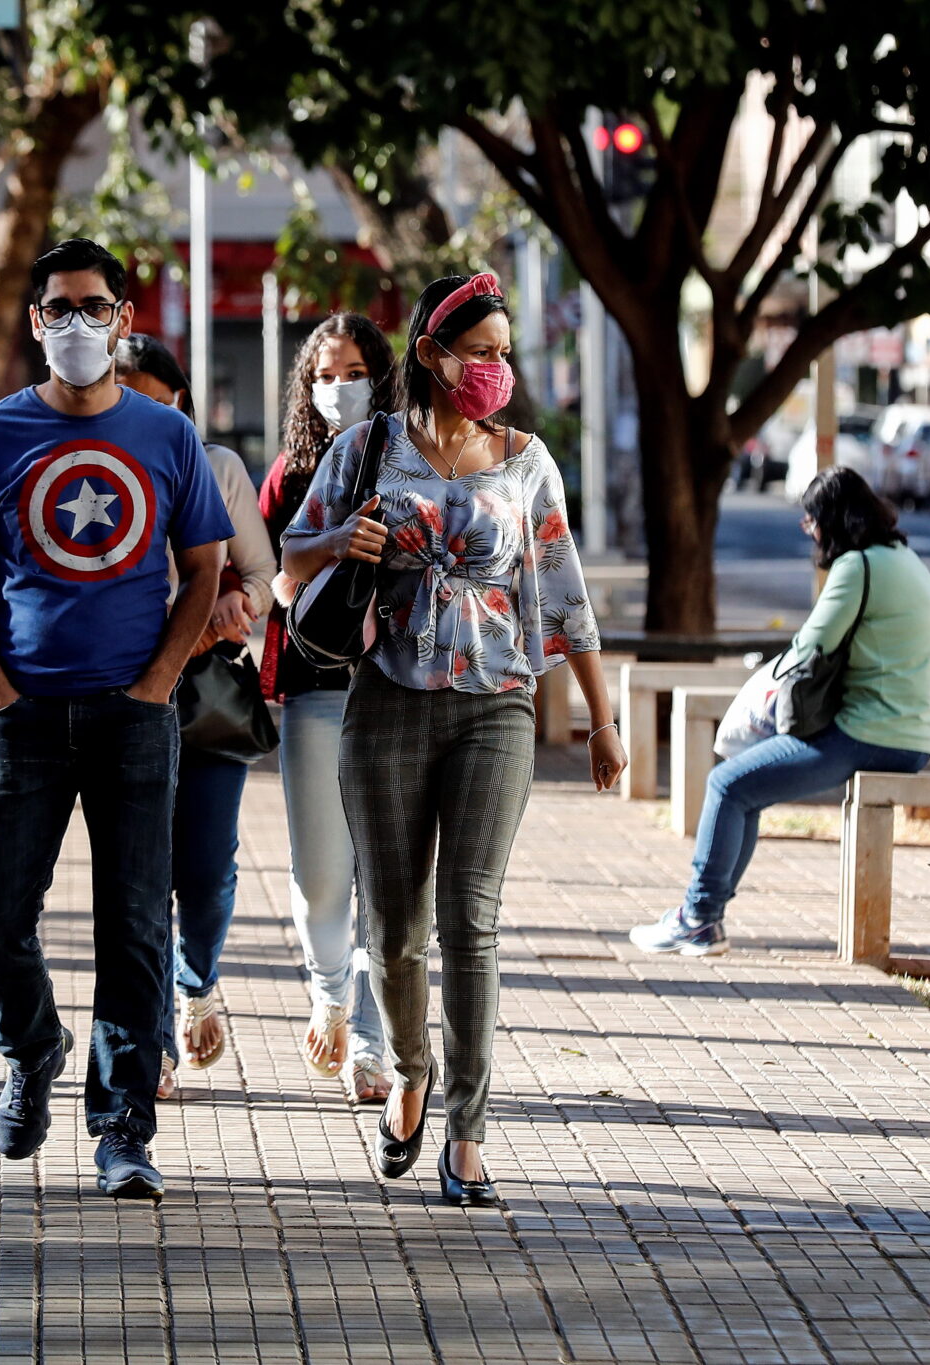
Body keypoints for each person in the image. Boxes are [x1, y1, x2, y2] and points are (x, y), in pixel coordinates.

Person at [283, 272, 628, 1205]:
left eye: (504, 352)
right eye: (480, 353)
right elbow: (288, 567)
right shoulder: (364, 450)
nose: (496, 369)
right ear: (432, 357)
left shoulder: (526, 461)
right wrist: (341, 542)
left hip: (494, 707)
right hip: (386, 705)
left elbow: (564, 589)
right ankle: (409, 1067)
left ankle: (468, 1135)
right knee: (395, 932)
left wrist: (602, 718)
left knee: (469, 922)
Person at [0, 239, 234, 1200]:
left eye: (92, 307)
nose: (75, 325)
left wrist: (157, 682)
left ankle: (123, 1131)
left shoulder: (166, 437)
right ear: (34, 324)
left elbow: (206, 571)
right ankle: (33, 1049)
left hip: (133, 719)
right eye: (57, 309)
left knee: (137, 928)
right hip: (21, 717)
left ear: (123, 319)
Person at [629, 466, 930, 957]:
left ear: (832, 520)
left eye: (811, 520)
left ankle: (698, 919)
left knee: (727, 784)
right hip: (909, 734)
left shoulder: (857, 566)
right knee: (745, 790)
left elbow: (809, 646)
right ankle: (704, 913)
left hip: (868, 730)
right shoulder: (902, 559)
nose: (810, 530)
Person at [112, 333, 275, 1098]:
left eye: (156, 393)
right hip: (121, 694)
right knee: (140, 878)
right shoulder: (97, 471)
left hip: (208, 692)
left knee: (205, 873)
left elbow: (262, 573)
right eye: (128, 392)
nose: (143, 407)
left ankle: (197, 977)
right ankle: (152, 1046)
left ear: (180, 398)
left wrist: (237, 606)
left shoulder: (217, 468)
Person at [259, 314, 397, 1104]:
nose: (339, 386)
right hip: (315, 686)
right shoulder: (289, 475)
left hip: (394, 689)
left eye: (353, 371)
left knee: (386, 876)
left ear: (381, 374)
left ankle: (372, 1040)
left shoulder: (413, 456)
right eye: (325, 373)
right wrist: (320, 561)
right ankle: (329, 987)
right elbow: (277, 566)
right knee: (320, 874)